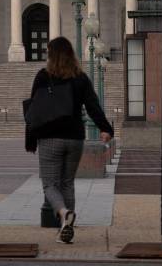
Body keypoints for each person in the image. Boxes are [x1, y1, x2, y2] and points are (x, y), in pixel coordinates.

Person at [25, 37, 114, 244]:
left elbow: (33, 111)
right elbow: (93, 106)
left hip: (49, 137)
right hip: (74, 137)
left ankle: (64, 213)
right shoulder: (80, 77)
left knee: (49, 184)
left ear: (50, 55)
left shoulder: (43, 77)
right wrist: (105, 128)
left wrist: (30, 140)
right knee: (67, 183)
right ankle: (66, 229)